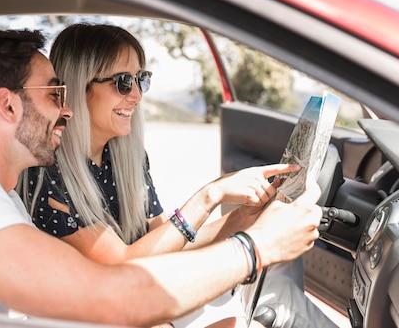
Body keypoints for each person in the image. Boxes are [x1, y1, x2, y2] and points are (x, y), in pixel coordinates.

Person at [0, 29, 322, 328]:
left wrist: (245, 219)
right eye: (54, 93)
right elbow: (113, 296)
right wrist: (257, 248)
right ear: (7, 106)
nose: (67, 108)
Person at [19, 23, 338, 328]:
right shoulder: (49, 173)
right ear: (79, 85)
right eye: (123, 83)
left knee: (271, 284)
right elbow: (122, 264)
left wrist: (245, 218)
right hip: (95, 312)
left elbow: (172, 244)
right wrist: (210, 196)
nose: (136, 96)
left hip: (137, 297)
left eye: (140, 79)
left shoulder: (124, 159)